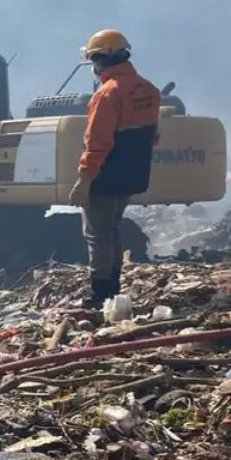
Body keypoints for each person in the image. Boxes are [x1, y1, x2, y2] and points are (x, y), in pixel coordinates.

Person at [68, 29, 161, 309]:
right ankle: (113, 289)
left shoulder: (107, 95)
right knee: (112, 229)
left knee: (97, 234)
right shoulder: (148, 89)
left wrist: (85, 179)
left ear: (100, 60)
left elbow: (97, 142)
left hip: (107, 173)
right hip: (133, 172)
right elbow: (152, 134)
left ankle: (100, 294)